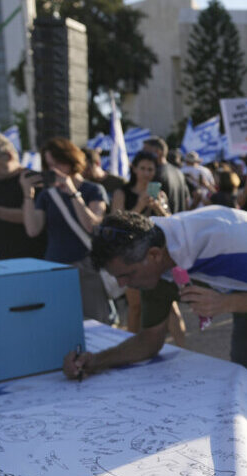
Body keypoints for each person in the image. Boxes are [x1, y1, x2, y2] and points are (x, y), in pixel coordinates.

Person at [66, 208, 247, 421]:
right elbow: (149, 341)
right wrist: (94, 362)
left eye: (127, 275)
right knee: (244, 384)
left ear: (152, 255)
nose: (124, 285)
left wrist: (223, 304)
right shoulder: (151, 266)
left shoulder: (222, 237)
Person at [21, 137, 111, 323]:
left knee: (96, 323)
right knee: (61, 322)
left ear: (71, 161)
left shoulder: (93, 190)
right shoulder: (47, 195)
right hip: (56, 266)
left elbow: (92, 224)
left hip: (87, 265)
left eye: (59, 163)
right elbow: (32, 229)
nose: (54, 170)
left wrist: (72, 192)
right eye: (49, 165)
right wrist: (28, 196)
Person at [112, 150, 184, 345]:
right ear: (134, 169)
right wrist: (138, 206)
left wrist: (159, 208)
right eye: (142, 168)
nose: (146, 173)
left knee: (170, 305)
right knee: (135, 306)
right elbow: (115, 224)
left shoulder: (159, 193)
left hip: (157, 254)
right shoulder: (122, 193)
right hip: (131, 255)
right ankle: (130, 347)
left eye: (150, 169)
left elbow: (170, 222)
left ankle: (184, 349)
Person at [142, 137, 190, 214]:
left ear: (158, 152)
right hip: (176, 222)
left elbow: (150, 204)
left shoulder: (156, 174)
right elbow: (187, 201)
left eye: (145, 151)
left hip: (161, 223)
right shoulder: (178, 172)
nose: (143, 155)